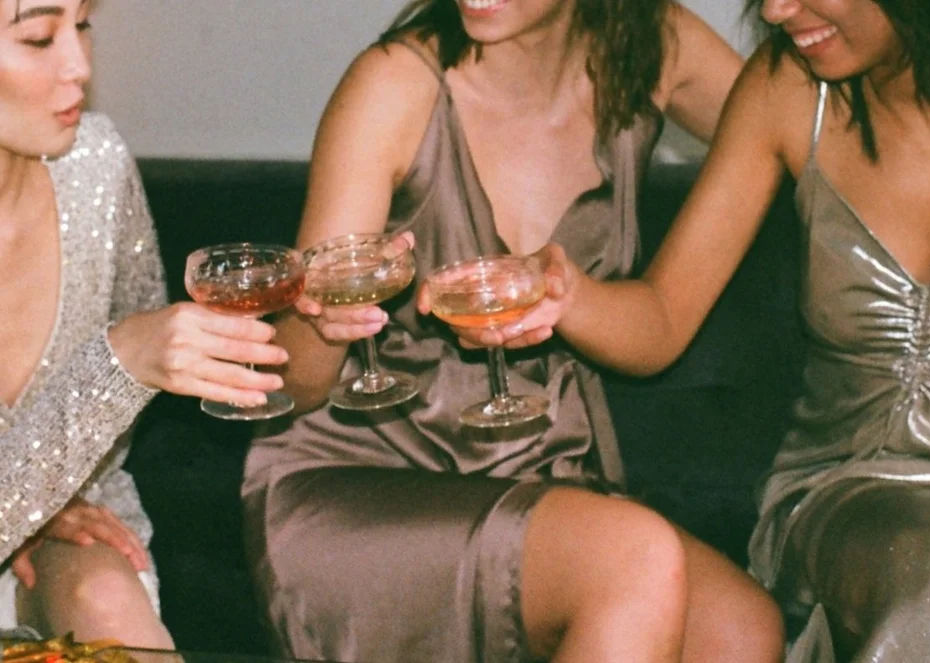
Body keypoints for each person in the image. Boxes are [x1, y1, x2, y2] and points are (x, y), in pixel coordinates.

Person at [452, 0, 930, 659]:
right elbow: (660, 319)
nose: (775, 9)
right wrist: (566, 296)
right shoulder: (789, 89)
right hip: (856, 491)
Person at [241, 0, 785, 661]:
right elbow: (294, 386)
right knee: (633, 559)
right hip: (359, 480)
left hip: (539, 468)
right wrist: (324, 320)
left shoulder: (653, 44)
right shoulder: (393, 85)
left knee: (740, 627)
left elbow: (810, 129)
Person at [0, 0, 291, 647]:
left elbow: (116, 430)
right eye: (40, 36)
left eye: (82, 26)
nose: (78, 65)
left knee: (106, 593)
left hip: (65, 526)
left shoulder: (94, 164)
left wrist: (37, 492)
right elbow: (124, 366)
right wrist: (120, 361)